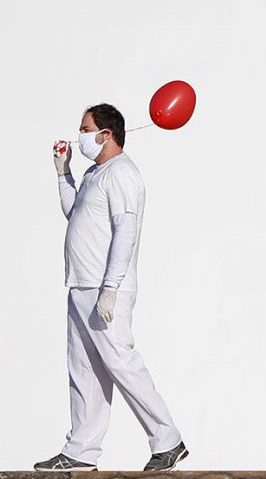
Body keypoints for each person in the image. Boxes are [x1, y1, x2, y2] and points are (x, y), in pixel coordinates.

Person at [35, 104, 188, 473]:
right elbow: (76, 214)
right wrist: (63, 174)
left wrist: (111, 286)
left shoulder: (122, 174)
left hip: (106, 289)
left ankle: (168, 440)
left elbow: (126, 231)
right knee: (84, 368)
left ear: (107, 133)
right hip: (81, 284)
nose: (80, 136)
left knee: (120, 362)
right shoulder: (95, 173)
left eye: (85, 129)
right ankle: (81, 450)